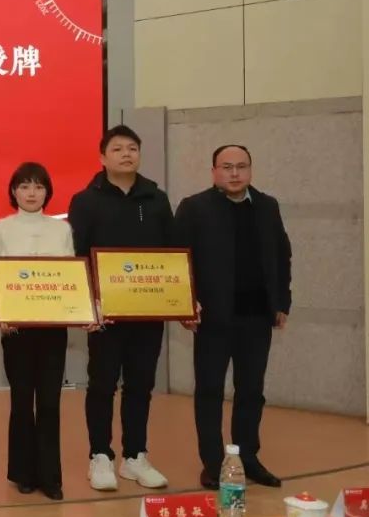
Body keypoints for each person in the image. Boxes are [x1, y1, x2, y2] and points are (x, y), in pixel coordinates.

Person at [174, 145, 291, 490]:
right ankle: (213, 464)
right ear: (214, 171)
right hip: (212, 318)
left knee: (251, 391)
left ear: (250, 169)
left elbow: (282, 255)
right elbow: (178, 260)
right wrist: (185, 305)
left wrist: (282, 302)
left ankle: (248, 458)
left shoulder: (268, 206)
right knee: (210, 391)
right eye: (227, 167)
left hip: (257, 317)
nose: (235, 173)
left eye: (241, 166)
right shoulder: (194, 207)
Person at [67, 124, 173, 492]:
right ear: (102, 157)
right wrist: (87, 305)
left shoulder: (157, 199)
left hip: (148, 310)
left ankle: (135, 456)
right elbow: (77, 255)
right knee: (102, 384)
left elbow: (173, 253)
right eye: (117, 149)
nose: (126, 154)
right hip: (104, 314)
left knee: (141, 384)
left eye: (132, 148)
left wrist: (181, 296)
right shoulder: (86, 201)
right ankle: (100, 455)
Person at [0, 162, 74, 502]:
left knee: (50, 401)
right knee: (21, 401)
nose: (32, 193)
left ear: (47, 192)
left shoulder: (62, 229)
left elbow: (70, 277)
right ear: (13, 191)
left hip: (53, 328)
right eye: (24, 186)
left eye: (38, 186)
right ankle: (23, 473)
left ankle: (50, 476)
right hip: (17, 329)